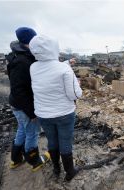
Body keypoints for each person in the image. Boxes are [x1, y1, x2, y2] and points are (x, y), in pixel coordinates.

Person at [29, 35, 82, 181]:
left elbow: (49, 68)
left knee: (52, 141)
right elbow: (75, 95)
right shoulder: (64, 69)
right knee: (65, 142)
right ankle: (70, 172)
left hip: (43, 114)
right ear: (54, 49)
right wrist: (78, 84)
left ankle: (56, 168)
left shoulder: (33, 67)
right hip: (64, 113)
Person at [6, 27, 50, 172]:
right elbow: (19, 90)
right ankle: (34, 160)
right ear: (30, 41)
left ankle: (16, 159)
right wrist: (31, 113)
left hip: (17, 105)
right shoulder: (22, 61)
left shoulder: (18, 55)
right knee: (32, 132)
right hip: (24, 106)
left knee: (22, 130)